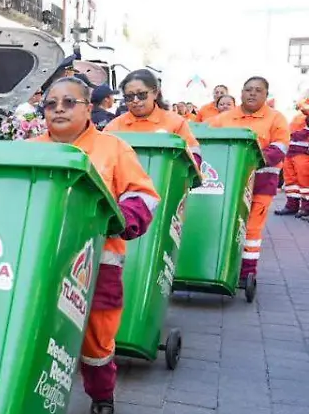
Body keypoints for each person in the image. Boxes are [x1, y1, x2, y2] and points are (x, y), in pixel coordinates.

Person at [31, 77, 159, 414]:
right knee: (35, 325)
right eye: (51, 103)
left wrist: (125, 219)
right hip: (39, 262)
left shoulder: (113, 149)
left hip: (97, 264)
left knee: (97, 336)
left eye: (68, 102)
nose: (58, 108)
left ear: (89, 108)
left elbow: (143, 194)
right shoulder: (29, 149)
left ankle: (102, 392)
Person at [210, 77, 290, 282]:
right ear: (241, 93)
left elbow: (280, 148)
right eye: (248, 89)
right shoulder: (224, 118)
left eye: (258, 90)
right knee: (223, 223)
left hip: (262, 183)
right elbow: (206, 139)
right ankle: (215, 267)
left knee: (252, 229)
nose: (252, 93)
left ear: (266, 95)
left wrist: (251, 161)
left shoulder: (276, 118)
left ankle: (246, 273)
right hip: (229, 183)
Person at [104, 69, 201, 166]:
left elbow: (194, 156)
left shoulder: (176, 122)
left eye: (141, 94)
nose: (135, 100)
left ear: (155, 93)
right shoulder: (113, 128)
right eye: (129, 97)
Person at [278, 98, 309, 217]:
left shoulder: (303, 108)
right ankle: (292, 205)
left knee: (304, 180)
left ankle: (306, 207)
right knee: (290, 180)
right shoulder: (298, 111)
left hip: (303, 151)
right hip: (290, 150)